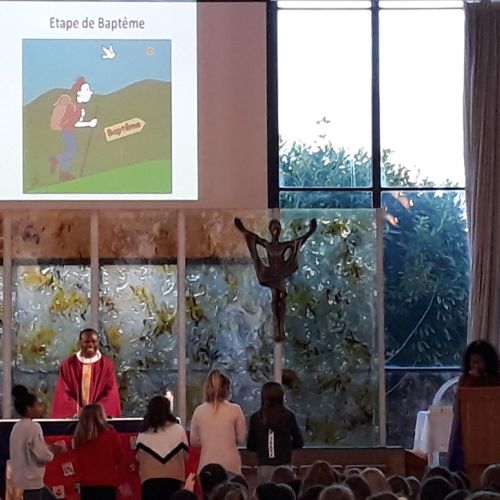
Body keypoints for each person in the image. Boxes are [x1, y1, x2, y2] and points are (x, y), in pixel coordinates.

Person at [234, 217, 317, 342]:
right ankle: (277, 329)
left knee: (281, 298)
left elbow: (298, 241)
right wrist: (242, 229)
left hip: (281, 273)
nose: (276, 231)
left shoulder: (284, 245)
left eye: (277, 229)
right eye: (274, 229)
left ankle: (280, 329)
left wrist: (310, 231)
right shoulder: (267, 245)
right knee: (276, 298)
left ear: (279, 231)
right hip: (271, 274)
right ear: (271, 231)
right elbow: (253, 238)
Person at [448, 340, 500, 471]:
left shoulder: (496, 380)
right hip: (467, 429)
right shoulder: (465, 379)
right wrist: (473, 379)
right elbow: (461, 401)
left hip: (492, 429)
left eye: (479, 362)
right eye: (473, 362)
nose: (476, 366)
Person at [51, 328, 121, 418]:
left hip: (98, 418)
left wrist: (94, 412)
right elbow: (63, 394)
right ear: (80, 343)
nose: (90, 345)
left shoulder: (107, 366)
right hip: (75, 418)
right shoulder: (68, 365)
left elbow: (110, 394)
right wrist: (78, 411)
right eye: (86, 342)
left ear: (98, 342)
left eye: (94, 341)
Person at [190, 370, 246, 475]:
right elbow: (241, 438)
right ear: (227, 389)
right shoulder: (235, 410)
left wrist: (209, 440)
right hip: (230, 465)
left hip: (206, 464)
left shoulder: (199, 411)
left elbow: (194, 441)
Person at [9, 385, 61, 500]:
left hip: (19, 481)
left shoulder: (16, 427)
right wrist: (52, 451)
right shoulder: (34, 427)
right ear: (29, 408)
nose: (40, 408)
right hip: (32, 483)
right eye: (38, 405)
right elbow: (42, 455)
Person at [247, 382, 304, 484]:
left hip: (264, 465)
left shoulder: (256, 417)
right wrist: (286, 446)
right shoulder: (288, 416)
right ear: (281, 396)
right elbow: (299, 442)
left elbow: (251, 446)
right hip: (284, 466)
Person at [136, 396, 189, 500]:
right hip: (174, 481)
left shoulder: (143, 433)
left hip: (149, 483)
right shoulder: (179, 430)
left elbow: (138, 458)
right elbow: (185, 456)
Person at [49, 76, 98, 181]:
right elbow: (74, 123)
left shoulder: (78, 107)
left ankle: (64, 174)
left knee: (71, 152)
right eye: (87, 90)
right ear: (79, 92)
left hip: (69, 131)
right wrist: (89, 124)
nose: (90, 93)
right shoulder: (74, 107)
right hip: (67, 131)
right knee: (72, 153)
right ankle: (56, 159)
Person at [73, 404, 123, 500]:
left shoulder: (79, 436)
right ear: (101, 415)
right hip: (107, 484)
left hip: (86, 485)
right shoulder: (110, 433)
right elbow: (119, 457)